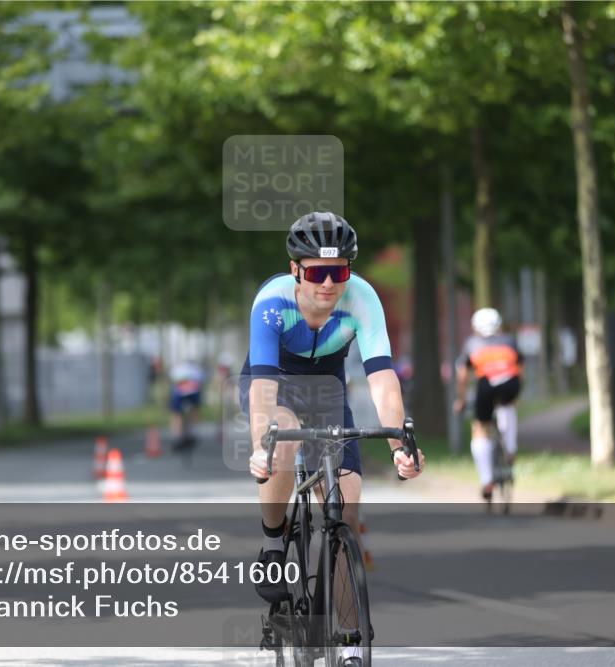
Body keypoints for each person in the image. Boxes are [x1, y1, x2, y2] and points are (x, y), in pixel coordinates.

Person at [242, 212, 424, 645]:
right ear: (296, 271)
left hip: (326, 389)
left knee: (347, 503)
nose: (328, 283)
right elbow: (264, 391)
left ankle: (348, 637)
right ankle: (272, 542)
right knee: (281, 441)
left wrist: (401, 441)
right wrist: (259, 447)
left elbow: (382, 378)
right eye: (317, 272)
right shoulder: (271, 303)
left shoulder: (362, 298)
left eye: (338, 271)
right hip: (276, 385)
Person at [453, 307, 523, 501]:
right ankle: (510, 449)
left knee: (480, 428)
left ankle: (487, 481)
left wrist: (461, 400)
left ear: (475, 327)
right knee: (507, 406)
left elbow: (463, 376)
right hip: (511, 383)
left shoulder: (472, 343)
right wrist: (517, 393)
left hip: (486, 386)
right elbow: (519, 367)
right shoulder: (510, 340)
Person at [168, 359, 205, 450]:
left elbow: (173, 380)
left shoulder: (177, 369)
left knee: (176, 413)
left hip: (180, 394)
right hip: (193, 393)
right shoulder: (196, 369)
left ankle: (177, 436)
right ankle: (192, 432)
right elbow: (200, 382)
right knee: (194, 410)